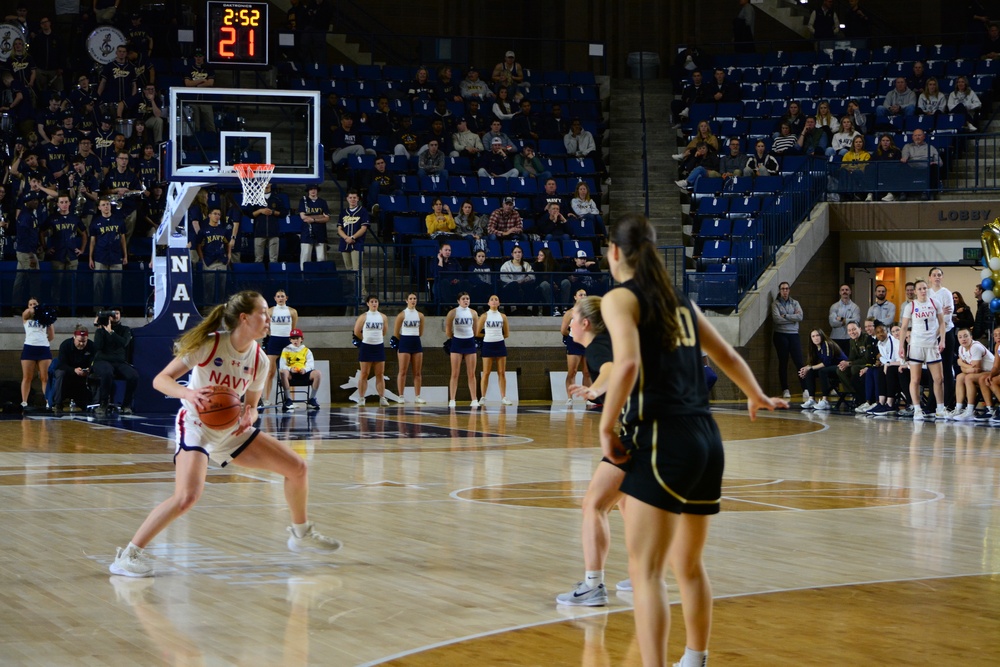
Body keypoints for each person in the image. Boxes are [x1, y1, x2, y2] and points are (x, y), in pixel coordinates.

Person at [597, 213, 783, 667]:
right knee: (688, 566)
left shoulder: (619, 298)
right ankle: (694, 659)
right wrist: (754, 394)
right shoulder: (680, 301)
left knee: (646, 572)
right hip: (706, 438)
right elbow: (727, 355)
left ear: (615, 252)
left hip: (662, 437)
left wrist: (606, 427)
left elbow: (625, 366)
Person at [107, 291, 342, 578]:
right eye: (263, 313)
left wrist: (249, 414)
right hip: (196, 425)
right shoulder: (210, 345)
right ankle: (128, 555)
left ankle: (301, 531)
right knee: (187, 496)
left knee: (298, 468)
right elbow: (161, 380)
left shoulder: (260, 360)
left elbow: (253, 405)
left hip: (232, 429)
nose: (269, 319)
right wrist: (189, 394)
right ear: (245, 318)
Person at [554, 295, 623, 606]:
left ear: (585, 323)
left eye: (572, 318)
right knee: (626, 504)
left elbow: (609, 369)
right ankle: (643, 573)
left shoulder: (598, 347)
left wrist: (595, 389)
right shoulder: (614, 339)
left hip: (636, 434)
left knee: (593, 505)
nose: (567, 324)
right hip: (657, 429)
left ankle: (593, 585)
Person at [898, 278, 947, 420]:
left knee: (939, 379)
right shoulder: (911, 306)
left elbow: (942, 323)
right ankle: (917, 409)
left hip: (932, 344)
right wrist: (901, 346)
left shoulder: (935, 303)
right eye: (919, 288)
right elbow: (904, 327)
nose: (923, 291)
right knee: (915, 379)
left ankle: (940, 408)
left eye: (925, 288)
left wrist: (942, 340)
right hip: (916, 345)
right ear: (915, 291)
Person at [91, 308, 138, 415]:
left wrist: (111, 332)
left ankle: (126, 405)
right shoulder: (100, 331)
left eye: (117, 313)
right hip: (102, 361)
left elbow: (124, 343)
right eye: (113, 314)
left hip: (119, 362)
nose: (115, 316)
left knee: (133, 375)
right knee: (107, 372)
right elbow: (97, 347)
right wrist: (101, 329)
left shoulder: (125, 329)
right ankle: (103, 404)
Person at [88, 197, 128, 309]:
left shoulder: (119, 220)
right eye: (104, 205)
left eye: (108, 204)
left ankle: (117, 310)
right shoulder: (95, 222)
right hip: (100, 257)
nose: (106, 206)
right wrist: (90, 257)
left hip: (116, 256)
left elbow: (123, 239)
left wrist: (125, 255)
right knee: (98, 285)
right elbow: (92, 241)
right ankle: (97, 310)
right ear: (99, 207)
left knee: (117, 285)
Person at [949, 327, 994, 420]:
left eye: (966, 336)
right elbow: (964, 369)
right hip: (981, 372)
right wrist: (964, 366)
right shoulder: (961, 348)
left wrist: (961, 363)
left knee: (968, 378)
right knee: (960, 377)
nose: (963, 339)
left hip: (991, 372)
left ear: (971, 337)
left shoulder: (975, 347)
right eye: (960, 337)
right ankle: (959, 408)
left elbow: (976, 369)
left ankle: (970, 410)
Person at [927, 267, 956, 409]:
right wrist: (937, 312)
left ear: (942, 277)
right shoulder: (926, 293)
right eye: (934, 275)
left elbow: (946, 317)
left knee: (946, 368)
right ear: (930, 278)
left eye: (939, 275)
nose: (937, 277)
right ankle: (932, 404)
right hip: (929, 335)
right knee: (932, 370)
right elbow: (925, 315)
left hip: (945, 333)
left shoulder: (946, 293)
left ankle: (948, 403)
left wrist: (936, 332)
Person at [445, 292, 480, 408]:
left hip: (469, 342)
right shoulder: (453, 313)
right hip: (457, 343)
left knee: (471, 373)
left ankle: (474, 399)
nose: (466, 301)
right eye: (463, 299)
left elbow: (476, 330)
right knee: (455, 373)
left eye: (468, 299)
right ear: (458, 301)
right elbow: (448, 331)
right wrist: (454, 338)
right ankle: (452, 399)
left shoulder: (473, 313)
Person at [799, 329, 848, 410]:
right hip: (830, 368)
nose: (815, 338)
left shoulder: (826, 343)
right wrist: (805, 369)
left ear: (822, 335)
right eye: (813, 336)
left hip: (841, 367)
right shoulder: (814, 347)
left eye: (817, 335)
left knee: (822, 371)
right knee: (810, 372)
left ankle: (825, 400)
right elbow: (813, 363)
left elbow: (826, 363)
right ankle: (811, 399)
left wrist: (810, 367)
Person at [477, 295, 513, 405]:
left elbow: (506, 333)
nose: (494, 301)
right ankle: (483, 397)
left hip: (500, 344)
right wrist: (488, 334)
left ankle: (503, 397)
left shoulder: (503, 316)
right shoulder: (484, 316)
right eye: (492, 299)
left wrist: (497, 336)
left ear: (499, 303)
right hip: (487, 344)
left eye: (496, 299)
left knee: (501, 372)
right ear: (488, 303)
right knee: (486, 372)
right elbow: (477, 332)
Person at [772, 281, 805, 400]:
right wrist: (793, 318)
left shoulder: (795, 303)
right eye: (782, 289)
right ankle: (785, 389)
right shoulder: (775, 304)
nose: (785, 291)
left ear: (789, 290)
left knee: (799, 362)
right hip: (780, 335)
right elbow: (776, 319)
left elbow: (800, 317)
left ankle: (805, 388)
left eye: (786, 288)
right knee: (783, 362)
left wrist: (785, 316)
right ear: (780, 291)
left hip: (794, 334)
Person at [354, 295, 389, 407]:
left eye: (376, 301)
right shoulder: (363, 317)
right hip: (366, 347)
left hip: (378, 346)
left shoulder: (383, 317)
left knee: (380, 373)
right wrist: (366, 338)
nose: (374, 303)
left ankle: (382, 397)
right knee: (364, 373)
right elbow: (357, 332)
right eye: (372, 301)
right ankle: (361, 398)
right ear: (368, 304)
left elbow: (384, 332)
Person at [265, 290, 298, 406]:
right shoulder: (270, 311)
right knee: (270, 372)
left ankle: (290, 399)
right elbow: (265, 326)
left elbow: (293, 328)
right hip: (274, 341)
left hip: (286, 342)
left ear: (286, 298)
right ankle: (266, 399)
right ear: (275, 298)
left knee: (290, 372)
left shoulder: (292, 311)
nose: (280, 298)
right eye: (278, 296)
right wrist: (271, 333)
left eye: (282, 296)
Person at [50, 326, 95, 413]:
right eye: (79, 341)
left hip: (84, 373)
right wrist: (73, 370)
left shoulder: (91, 346)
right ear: (74, 337)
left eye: (84, 341)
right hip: (68, 371)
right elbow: (61, 364)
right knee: (60, 373)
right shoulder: (65, 345)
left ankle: (96, 403)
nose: (81, 344)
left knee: (97, 374)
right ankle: (57, 404)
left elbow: (94, 362)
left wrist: (89, 369)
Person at [21, 298, 55, 409]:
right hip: (29, 348)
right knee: (27, 377)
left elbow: (51, 336)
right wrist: (35, 309)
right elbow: (27, 312)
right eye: (30, 304)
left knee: (45, 377)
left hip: (43, 348)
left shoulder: (46, 317)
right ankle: (24, 402)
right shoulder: (26, 316)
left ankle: (48, 401)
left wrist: (43, 340)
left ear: (39, 304)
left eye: (34, 304)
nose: (32, 306)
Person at [278, 329, 322, 413]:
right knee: (283, 372)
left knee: (318, 373)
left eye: (297, 338)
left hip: (304, 373)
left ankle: (312, 399)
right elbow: (282, 365)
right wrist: (290, 369)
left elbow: (311, 364)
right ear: (290, 340)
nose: (295, 340)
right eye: (293, 338)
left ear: (301, 339)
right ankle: (288, 399)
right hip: (291, 374)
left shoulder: (306, 350)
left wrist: (305, 370)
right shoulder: (285, 350)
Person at [560, 288, 591, 405]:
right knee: (572, 371)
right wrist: (573, 337)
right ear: (575, 297)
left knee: (587, 372)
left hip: (586, 343)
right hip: (574, 343)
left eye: (585, 294)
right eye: (580, 294)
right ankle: (569, 397)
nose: (583, 296)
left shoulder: (589, 313)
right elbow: (563, 330)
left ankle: (587, 398)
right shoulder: (570, 313)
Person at [393, 293, 425, 404]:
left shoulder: (420, 315)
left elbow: (420, 332)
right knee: (402, 371)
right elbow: (396, 333)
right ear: (406, 301)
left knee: (417, 372)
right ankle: (401, 396)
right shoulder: (402, 315)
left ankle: (417, 396)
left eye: (415, 298)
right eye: (410, 299)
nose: (413, 300)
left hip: (416, 342)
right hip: (404, 342)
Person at [196, 206, 230, 305]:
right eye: (215, 213)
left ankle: (220, 309)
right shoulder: (203, 231)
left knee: (222, 288)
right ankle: (208, 310)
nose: (217, 216)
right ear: (209, 215)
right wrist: (202, 259)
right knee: (208, 289)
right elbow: (198, 246)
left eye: (219, 214)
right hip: (209, 261)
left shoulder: (223, 230)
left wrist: (229, 255)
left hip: (221, 261)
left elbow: (228, 243)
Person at [901, 128, 940, 200]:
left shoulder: (931, 147)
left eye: (919, 135)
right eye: (915, 135)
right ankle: (904, 192)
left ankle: (930, 192)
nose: (917, 137)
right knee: (902, 166)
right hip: (911, 167)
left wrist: (935, 162)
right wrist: (905, 158)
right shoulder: (907, 146)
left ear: (924, 137)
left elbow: (939, 162)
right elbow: (905, 156)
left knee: (935, 167)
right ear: (912, 137)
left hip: (927, 167)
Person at [564, 118, 607, 182]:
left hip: (586, 155)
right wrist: (574, 137)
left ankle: (605, 177)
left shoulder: (588, 134)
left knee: (595, 154)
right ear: (572, 126)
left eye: (578, 124)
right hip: (574, 156)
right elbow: (570, 151)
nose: (576, 126)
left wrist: (582, 153)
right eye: (575, 125)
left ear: (581, 125)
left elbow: (592, 148)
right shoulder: (567, 137)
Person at [337, 189, 370, 271]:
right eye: (350, 197)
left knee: (357, 269)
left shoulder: (363, 211)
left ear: (358, 199)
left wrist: (352, 237)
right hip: (344, 243)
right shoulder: (343, 212)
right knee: (348, 269)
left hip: (357, 243)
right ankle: (351, 284)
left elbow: (364, 228)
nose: (352, 199)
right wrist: (346, 238)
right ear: (347, 199)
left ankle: (359, 284)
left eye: (354, 198)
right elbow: (339, 229)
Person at [298, 184, 330, 267]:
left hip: (320, 232)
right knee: (305, 258)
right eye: (311, 189)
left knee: (321, 258)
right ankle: (304, 276)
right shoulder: (303, 201)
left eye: (315, 189)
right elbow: (303, 217)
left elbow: (327, 218)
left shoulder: (322, 202)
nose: (313, 191)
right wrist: (320, 216)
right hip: (307, 232)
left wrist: (313, 219)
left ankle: (320, 277)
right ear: (308, 191)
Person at [499, 245, 536, 310]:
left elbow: (532, 276)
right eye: (515, 252)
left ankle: (523, 310)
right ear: (512, 254)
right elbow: (503, 278)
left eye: (519, 252)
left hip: (523, 285)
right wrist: (516, 282)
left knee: (528, 286)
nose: (517, 254)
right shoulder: (506, 265)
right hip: (510, 286)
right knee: (514, 286)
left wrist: (524, 280)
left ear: (522, 254)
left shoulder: (526, 264)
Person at [828, 283, 860, 352]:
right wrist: (849, 321)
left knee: (848, 360)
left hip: (850, 338)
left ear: (850, 292)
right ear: (840, 292)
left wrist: (842, 319)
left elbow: (856, 322)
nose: (844, 291)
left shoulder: (855, 307)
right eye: (842, 290)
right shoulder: (834, 307)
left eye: (846, 290)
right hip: (836, 338)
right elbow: (832, 323)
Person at [839, 135, 871, 201]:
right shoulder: (848, 154)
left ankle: (855, 195)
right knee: (842, 171)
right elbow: (843, 165)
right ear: (853, 143)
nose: (858, 144)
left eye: (860, 142)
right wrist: (852, 168)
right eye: (856, 142)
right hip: (848, 173)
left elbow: (865, 166)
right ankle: (843, 194)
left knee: (856, 172)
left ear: (863, 143)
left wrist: (852, 168)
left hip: (860, 174)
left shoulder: (866, 154)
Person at [873, 134, 903, 202]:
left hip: (892, 172)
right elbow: (871, 164)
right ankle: (870, 193)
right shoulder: (877, 152)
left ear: (890, 142)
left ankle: (892, 193)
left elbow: (898, 164)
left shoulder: (896, 151)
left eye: (887, 140)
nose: (885, 142)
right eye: (883, 140)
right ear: (880, 142)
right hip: (879, 172)